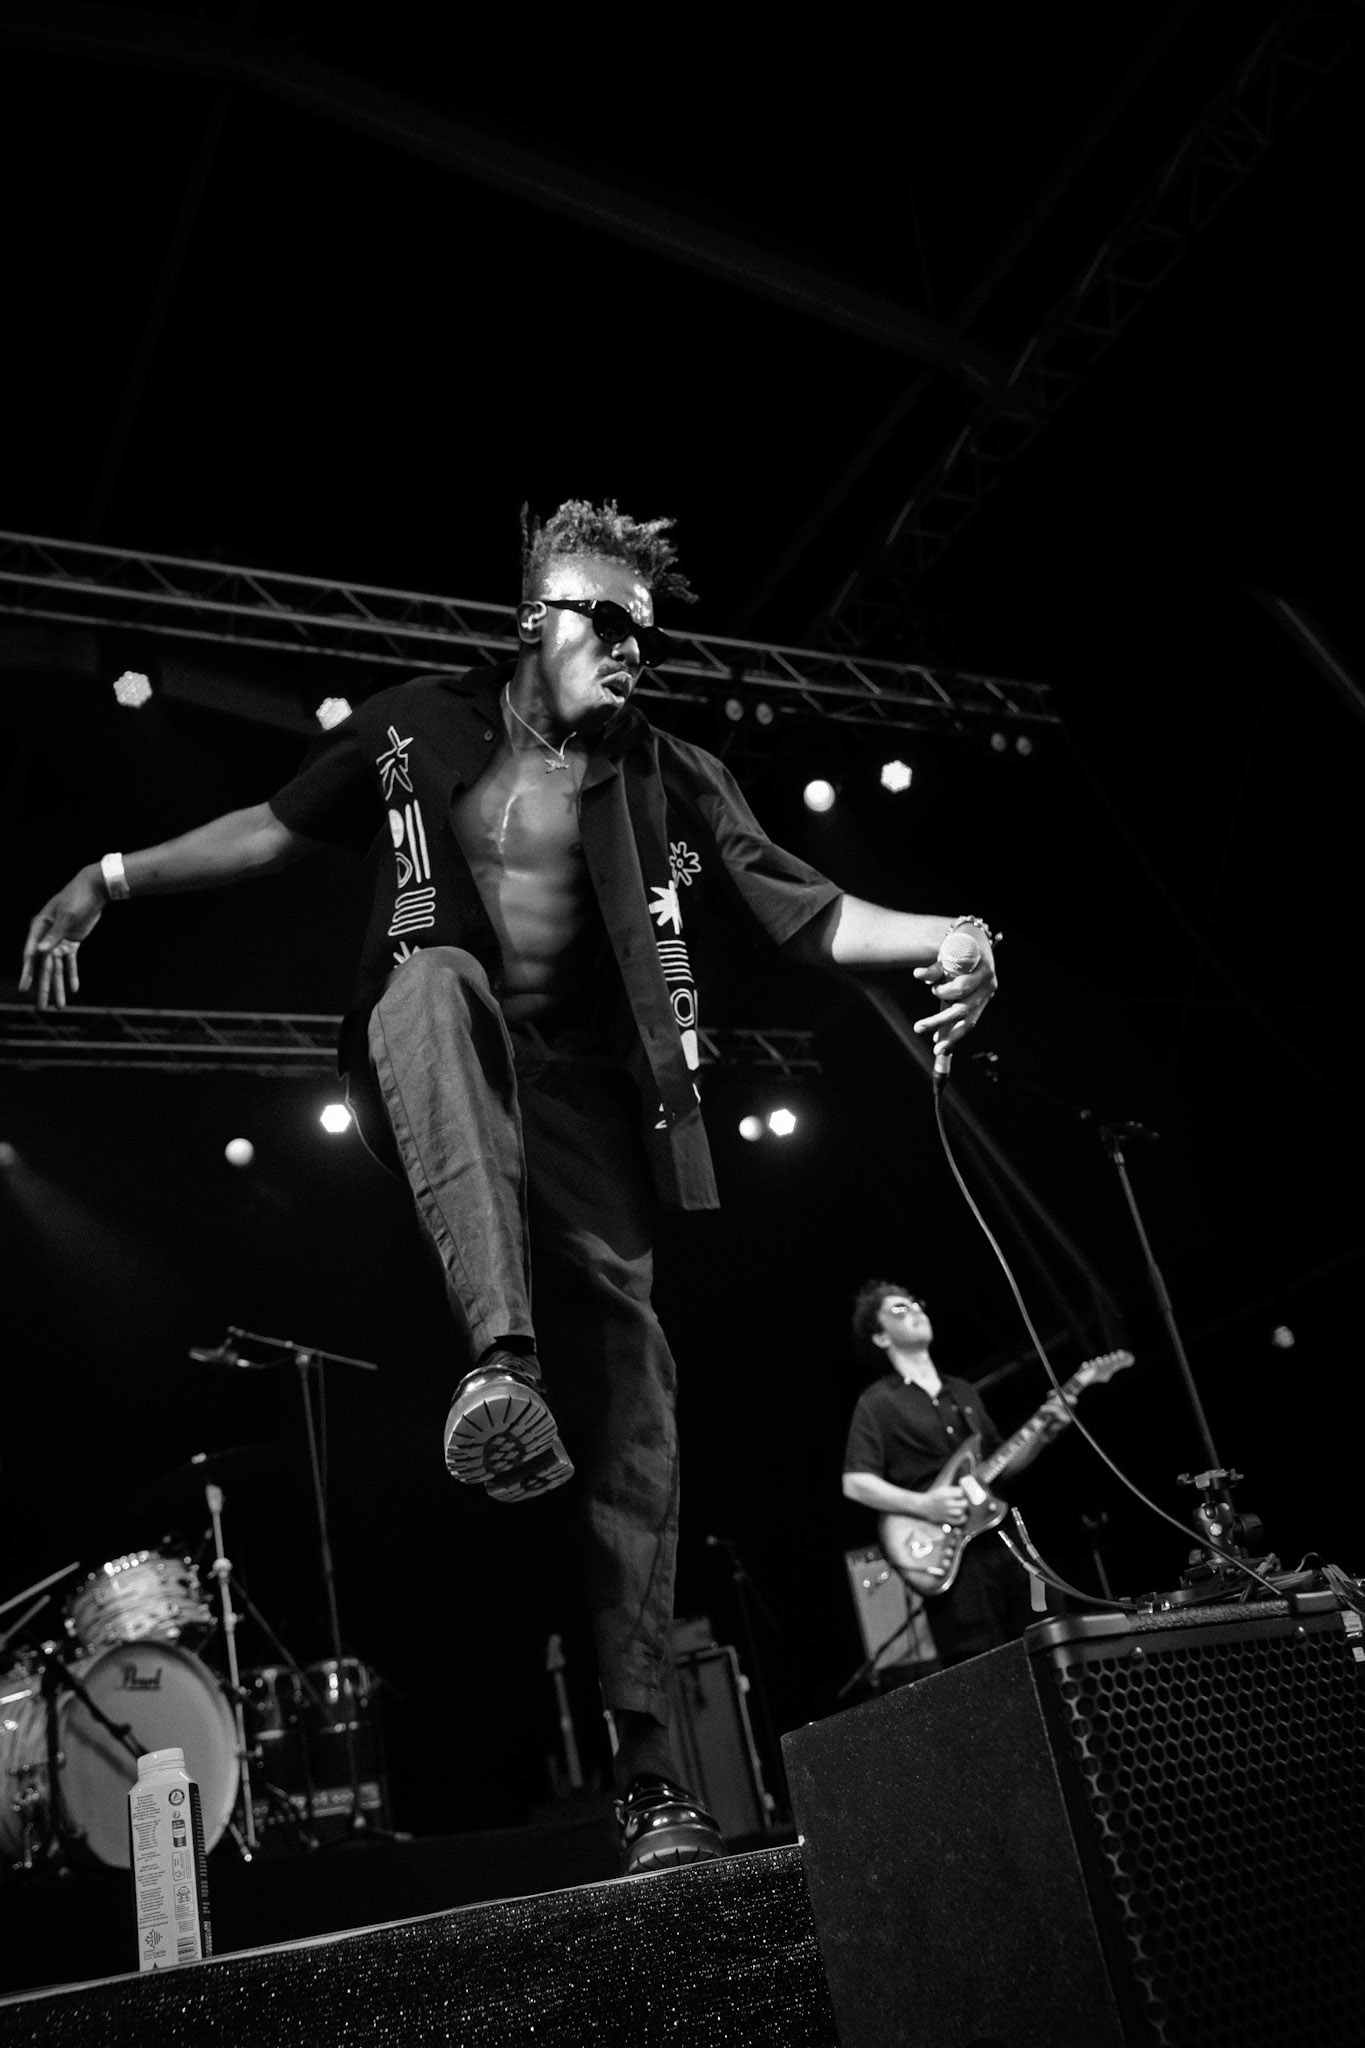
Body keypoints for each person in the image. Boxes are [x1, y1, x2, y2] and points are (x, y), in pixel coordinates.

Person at [22, 500, 998, 1868]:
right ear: (536, 616)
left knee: (642, 1403)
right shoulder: (418, 720)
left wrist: (949, 931)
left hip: (593, 1110)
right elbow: (272, 824)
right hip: (437, 1045)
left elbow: (808, 907)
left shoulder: (672, 772)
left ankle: (652, 1778)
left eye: (650, 636)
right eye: (608, 622)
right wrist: (109, 877)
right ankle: (498, 1356)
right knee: (431, 983)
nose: (633, 651)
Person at [843, 1283, 1051, 1667]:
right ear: (880, 1336)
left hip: (1002, 1540)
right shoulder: (878, 1402)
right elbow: (855, 1482)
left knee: (1041, 1641)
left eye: (916, 1303)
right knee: (982, 1667)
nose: (916, 1310)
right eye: (900, 1309)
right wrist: (926, 1504)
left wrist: (1044, 1432)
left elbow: (1000, 1466)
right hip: (951, 1556)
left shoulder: (963, 1391)